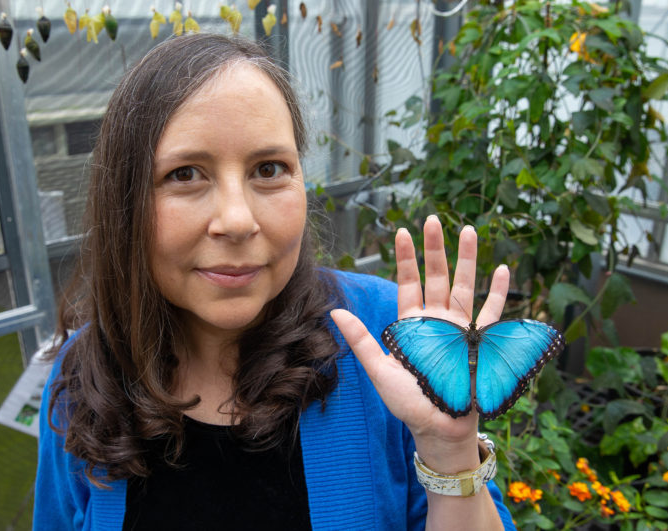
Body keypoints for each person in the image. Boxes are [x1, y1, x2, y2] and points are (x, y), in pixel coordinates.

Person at [33, 33, 516, 530]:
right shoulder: (82, 380)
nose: (238, 220)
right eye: (185, 175)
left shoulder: (388, 338)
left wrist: (449, 450)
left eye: (269, 169)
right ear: (124, 202)